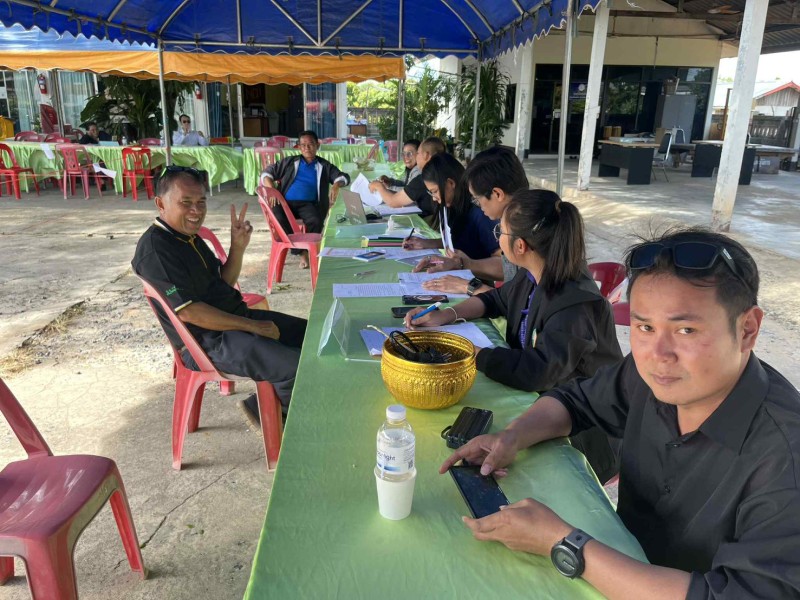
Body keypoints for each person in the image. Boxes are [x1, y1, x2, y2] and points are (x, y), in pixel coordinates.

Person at [441, 227, 800, 598]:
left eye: (686, 330)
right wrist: (511, 437)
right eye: (644, 327)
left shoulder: (785, 458)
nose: (657, 355)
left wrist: (563, 543)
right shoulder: (651, 376)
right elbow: (575, 401)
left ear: (748, 329)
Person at [408, 189, 620, 481]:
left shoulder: (575, 304)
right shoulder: (532, 274)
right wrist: (447, 315)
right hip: (543, 405)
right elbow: (496, 300)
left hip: (582, 434)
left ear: (520, 246)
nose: (498, 239)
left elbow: (537, 371)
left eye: (501, 232)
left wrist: (470, 352)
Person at [132, 166, 307, 421]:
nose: (196, 211)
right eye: (186, 203)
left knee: (311, 337)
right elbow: (190, 312)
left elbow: (222, 282)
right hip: (205, 342)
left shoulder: (189, 237)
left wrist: (238, 247)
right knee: (296, 367)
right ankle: (278, 419)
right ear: (161, 203)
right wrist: (253, 326)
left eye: (201, 202)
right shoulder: (156, 250)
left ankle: (262, 405)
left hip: (233, 322)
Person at [417, 146, 530, 295]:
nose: (478, 205)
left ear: (497, 194)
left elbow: (510, 278)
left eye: (477, 199)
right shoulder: (523, 221)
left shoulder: (522, 233)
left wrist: (468, 283)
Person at [259, 130, 350, 268]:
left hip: (307, 204)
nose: (307, 148)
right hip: (284, 202)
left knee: (316, 220)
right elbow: (267, 173)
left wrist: (337, 185)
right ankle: (302, 252)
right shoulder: (290, 162)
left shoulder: (323, 165)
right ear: (299, 147)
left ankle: (309, 249)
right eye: (303, 145)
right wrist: (272, 189)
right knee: (277, 216)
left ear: (317, 145)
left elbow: (343, 177)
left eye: (311, 144)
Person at [402, 152, 501, 268]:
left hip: (475, 276)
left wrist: (465, 264)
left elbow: (503, 264)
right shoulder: (453, 207)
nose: (433, 198)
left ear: (450, 183)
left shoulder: (481, 213)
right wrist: (428, 243)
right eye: (430, 193)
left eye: (434, 191)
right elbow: (459, 242)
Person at [368, 136, 445, 217]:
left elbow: (393, 202)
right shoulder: (437, 171)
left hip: (427, 219)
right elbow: (407, 186)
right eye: (404, 154)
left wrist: (379, 186)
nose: (406, 157)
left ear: (426, 155)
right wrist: (390, 183)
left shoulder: (424, 177)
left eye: (418, 153)